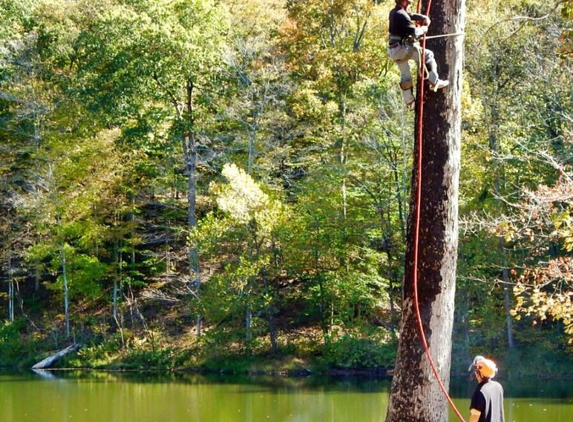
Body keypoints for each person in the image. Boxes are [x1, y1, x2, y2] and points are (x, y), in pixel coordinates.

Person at [388, 0, 449, 109]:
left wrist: (421, 17)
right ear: (404, 2)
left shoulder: (394, 12)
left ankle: (410, 102)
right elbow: (414, 32)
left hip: (394, 50)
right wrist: (424, 29)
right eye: (407, 2)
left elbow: (408, 15)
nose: (408, 4)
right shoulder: (400, 14)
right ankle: (434, 81)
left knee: (405, 75)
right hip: (402, 49)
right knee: (428, 55)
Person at [468, 356, 505, 422]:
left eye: (476, 370)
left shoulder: (479, 392)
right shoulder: (498, 387)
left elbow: (474, 418)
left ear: (478, 373)